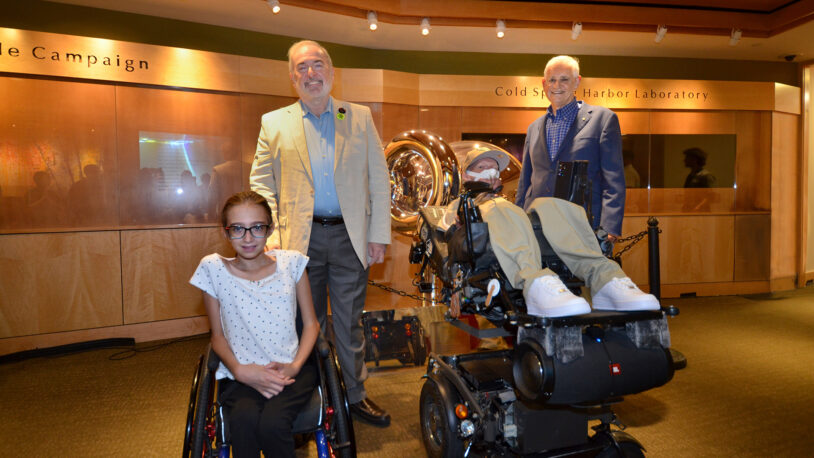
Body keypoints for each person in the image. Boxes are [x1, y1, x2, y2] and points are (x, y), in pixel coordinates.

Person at [249, 40, 391, 426]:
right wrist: (271, 235)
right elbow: (261, 184)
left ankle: (355, 395)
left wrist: (378, 233)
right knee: (303, 325)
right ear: (292, 77)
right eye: (302, 67)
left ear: (331, 71)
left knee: (348, 322)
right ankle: (314, 399)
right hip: (298, 242)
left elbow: (379, 179)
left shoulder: (358, 117)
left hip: (350, 238)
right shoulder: (274, 123)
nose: (311, 74)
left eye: (318, 65)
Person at [445, 147, 658, 318]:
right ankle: (534, 282)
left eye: (493, 168)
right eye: (481, 166)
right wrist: (460, 221)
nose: (489, 171)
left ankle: (606, 279)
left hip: (531, 239)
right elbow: (447, 235)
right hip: (490, 252)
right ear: (466, 175)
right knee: (500, 206)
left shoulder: (508, 204)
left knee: (552, 204)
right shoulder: (459, 206)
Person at [190, 191, 320, 458]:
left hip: (291, 370)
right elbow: (218, 337)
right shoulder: (212, 269)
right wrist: (240, 371)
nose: (247, 238)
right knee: (243, 422)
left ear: (270, 229)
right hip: (241, 374)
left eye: (257, 228)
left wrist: (294, 366)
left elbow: (311, 325)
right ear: (226, 233)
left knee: (273, 424)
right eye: (238, 229)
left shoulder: (292, 263)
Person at [517, 55, 625, 241]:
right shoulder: (534, 128)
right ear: (544, 84)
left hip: (582, 227)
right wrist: (518, 221)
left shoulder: (603, 120)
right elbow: (525, 182)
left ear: (577, 82)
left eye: (564, 80)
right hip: (536, 226)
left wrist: (609, 228)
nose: (557, 86)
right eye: (551, 80)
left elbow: (613, 180)